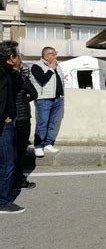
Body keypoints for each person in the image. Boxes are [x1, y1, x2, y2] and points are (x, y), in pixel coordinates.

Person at [0, 40, 26, 214]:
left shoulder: (9, 73)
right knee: (7, 163)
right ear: (11, 57)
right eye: (17, 54)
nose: (20, 58)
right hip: (3, 125)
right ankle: (3, 201)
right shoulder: (2, 75)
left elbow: (19, 86)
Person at [30, 46, 64, 157]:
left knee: (52, 123)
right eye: (52, 54)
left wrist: (62, 95)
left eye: (55, 53)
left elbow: (60, 81)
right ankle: (38, 146)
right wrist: (51, 69)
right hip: (44, 100)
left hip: (57, 99)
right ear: (45, 55)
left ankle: (48, 144)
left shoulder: (57, 66)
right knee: (42, 123)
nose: (55, 56)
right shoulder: (36, 66)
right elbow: (42, 79)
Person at [12, 60, 37, 190]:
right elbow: (34, 94)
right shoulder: (22, 77)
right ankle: (19, 180)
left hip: (8, 117)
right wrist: (24, 99)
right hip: (22, 117)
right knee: (20, 149)